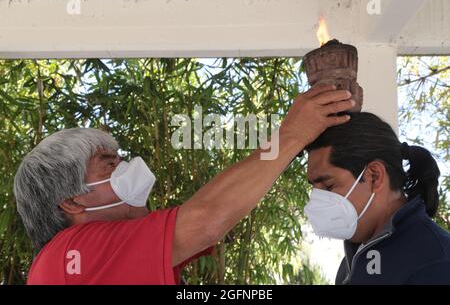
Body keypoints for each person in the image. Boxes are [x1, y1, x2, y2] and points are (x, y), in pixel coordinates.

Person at [14, 84, 354, 284]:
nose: (129, 168)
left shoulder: (79, 260)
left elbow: (199, 213)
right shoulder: (75, 252)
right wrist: (291, 135)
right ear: (72, 201)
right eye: (110, 165)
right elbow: (206, 220)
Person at [304, 111, 450, 284]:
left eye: (328, 186)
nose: (315, 201)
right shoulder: (353, 259)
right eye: (314, 188)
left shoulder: (435, 262)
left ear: (375, 176)